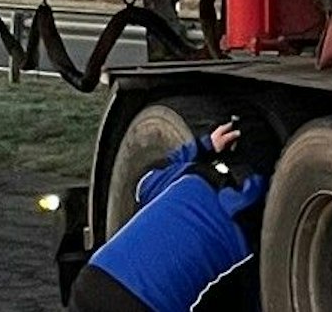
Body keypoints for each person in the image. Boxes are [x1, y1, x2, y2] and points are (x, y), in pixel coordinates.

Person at [68, 118, 266, 312]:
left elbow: (145, 176)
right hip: (145, 303)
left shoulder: (182, 177)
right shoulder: (242, 226)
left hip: (93, 282)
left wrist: (205, 145)